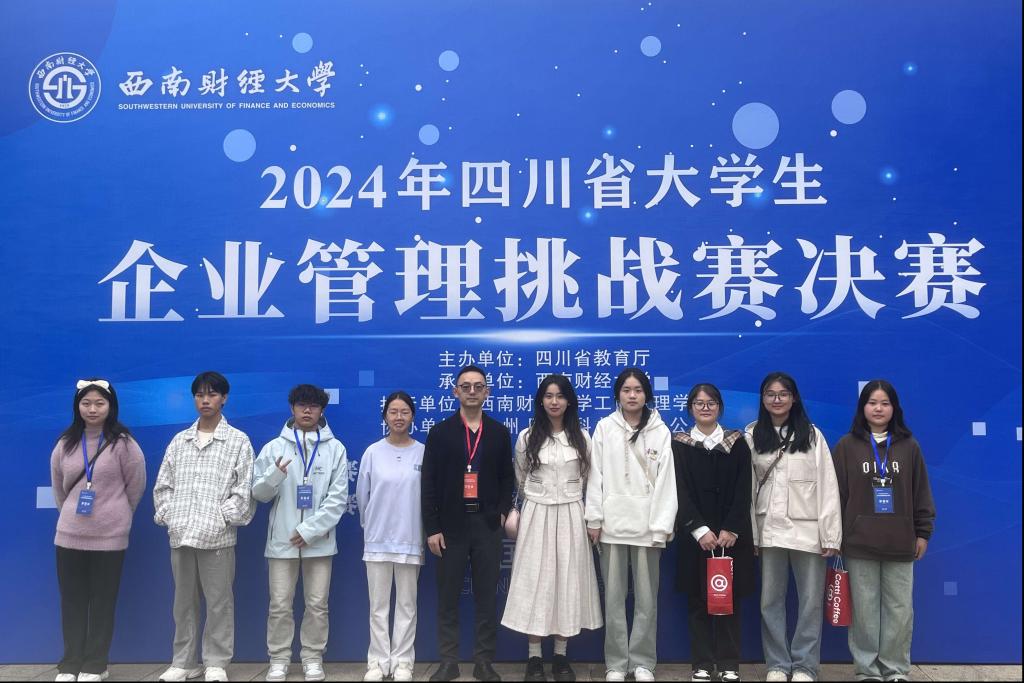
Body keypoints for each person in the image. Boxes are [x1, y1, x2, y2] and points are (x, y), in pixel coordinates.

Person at [153, 371, 256, 683]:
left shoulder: (237, 440)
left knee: (219, 602)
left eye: (212, 394)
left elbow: (244, 489)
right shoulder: (179, 441)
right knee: (183, 603)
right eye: (199, 395)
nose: (205, 400)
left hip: (217, 538)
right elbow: (163, 486)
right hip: (182, 535)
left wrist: (221, 517)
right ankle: (183, 662)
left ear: (224, 398)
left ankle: (215, 662)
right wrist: (171, 515)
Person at [501, 375, 603, 682]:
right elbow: (520, 478)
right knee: (535, 582)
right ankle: (534, 658)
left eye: (560, 396)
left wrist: (592, 519)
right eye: (548, 396)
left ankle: (560, 656)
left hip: (572, 513)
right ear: (541, 401)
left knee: (566, 582)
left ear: (569, 401)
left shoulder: (582, 438)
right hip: (536, 514)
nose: (554, 401)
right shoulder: (527, 437)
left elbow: (591, 479)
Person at [833, 380, 935, 683]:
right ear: (862, 407)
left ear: (894, 408)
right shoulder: (846, 446)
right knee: (864, 610)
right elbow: (835, 496)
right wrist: (834, 535)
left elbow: (921, 492)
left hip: (901, 542)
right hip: (858, 542)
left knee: (899, 609)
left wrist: (923, 532)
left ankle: (895, 669)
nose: (878, 409)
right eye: (872, 402)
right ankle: (867, 670)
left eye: (885, 403)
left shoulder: (909, 446)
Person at [421, 366, 515, 682]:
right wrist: (432, 528)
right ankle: (448, 661)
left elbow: (507, 478)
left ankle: (483, 662)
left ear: (487, 392)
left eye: (478, 386)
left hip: (487, 525)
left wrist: (500, 513)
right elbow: (428, 483)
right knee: (448, 597)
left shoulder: (499, 432)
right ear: (455, 391)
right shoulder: (440, 432)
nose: (472, 391)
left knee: (486, 597)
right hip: (450, 527)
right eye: (466, 386)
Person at [50, 378, 146, 683]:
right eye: (86, 403)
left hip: (109, 538)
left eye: (99, 403)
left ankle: (95, 664)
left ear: (111, 406)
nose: (92, 409)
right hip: (69, 536)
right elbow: (59, 489)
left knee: (103, 602)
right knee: (72, 602)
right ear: (77, 406)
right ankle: (70, 663)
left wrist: (116, 515)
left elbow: (136, 486)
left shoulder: (124, 443)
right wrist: (72, 515)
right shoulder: (65, 443)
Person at [747, 372, 841, 683]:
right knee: (770, 602)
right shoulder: (753, 435)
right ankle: (777, 664)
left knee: (810, 602)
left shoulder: (812, 436)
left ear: (794, 398)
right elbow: (747, 491)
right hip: (770, 530)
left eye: (783, 394)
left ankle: (805, 666)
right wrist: (752, 534)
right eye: (770, 394)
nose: (777, 399)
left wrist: (830, 534)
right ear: (763, 399)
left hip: (808, 532)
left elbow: (828, 486)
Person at [251, 385, 349, 683]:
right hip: (282, 542)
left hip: (319, 543)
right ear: (292, 408)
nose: (307, 410)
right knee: (279, 604)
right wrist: (275, 475)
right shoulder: (274, 448)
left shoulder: (335, 449)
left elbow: (338, 499)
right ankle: (279, 659)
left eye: (313, 406)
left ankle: (312, 658)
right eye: (301, 405)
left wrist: (310, 530)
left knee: (317, 604)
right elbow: (258, 493)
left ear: (322, 411)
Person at [585, 368, 677, 683]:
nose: (632, 395)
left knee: (646, 601)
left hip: (647, 528)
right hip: (611, 527)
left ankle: (642, 663)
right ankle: (615, 663)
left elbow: (666, 481)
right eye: (626, 390)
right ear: (618, 395)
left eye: (638, 390)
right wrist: (594, 518)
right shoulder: (604, 427)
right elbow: (594, 476)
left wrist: (661, 525)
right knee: (613, 599)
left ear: (646, 394)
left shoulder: (660, 430)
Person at [671, 383, 753, 683]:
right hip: (696, 538)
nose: (705, 408)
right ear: (690, 408)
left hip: (732, 537)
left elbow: (745, 489)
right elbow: (678, 490)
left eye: (711, 403)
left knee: (730, 601)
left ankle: (730, 664)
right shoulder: (679, 445)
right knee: (698, 602)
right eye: (699, 403)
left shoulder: (737, 443)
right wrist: (699, 529)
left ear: (720, 407)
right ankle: (702, 664)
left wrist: (731, 527)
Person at [356, 391, 425, 682]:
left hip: (411, 538)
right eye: (393, 412)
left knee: (407, 605)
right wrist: (371, 526)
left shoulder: (423, 452)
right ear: (385, 416)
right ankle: (377, 662)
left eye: (404, 412)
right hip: (377, 538)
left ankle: (403, 663)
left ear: (412, 416)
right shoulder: (373, 452)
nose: (399, 417)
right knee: (378, 606)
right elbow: (363, 495)